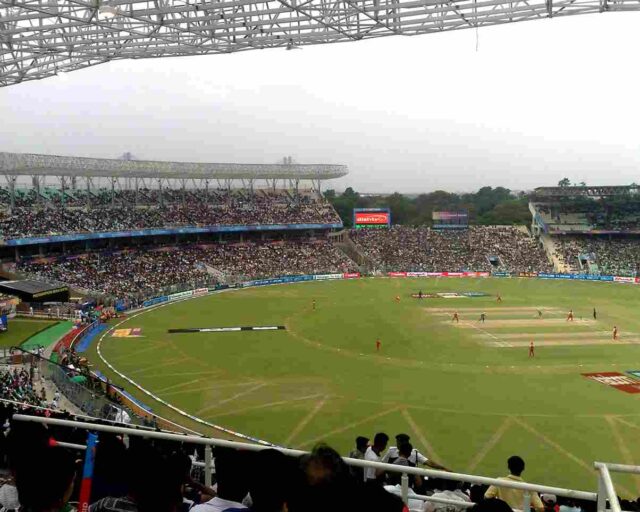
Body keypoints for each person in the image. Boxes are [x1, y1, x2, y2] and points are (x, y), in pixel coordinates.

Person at [383, 434, 449, 471]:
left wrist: (443, 468)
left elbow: (429, 463)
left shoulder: (414, 453)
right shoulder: (391, 451)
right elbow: (383, 464)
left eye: (398, 442)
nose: (397, 444)